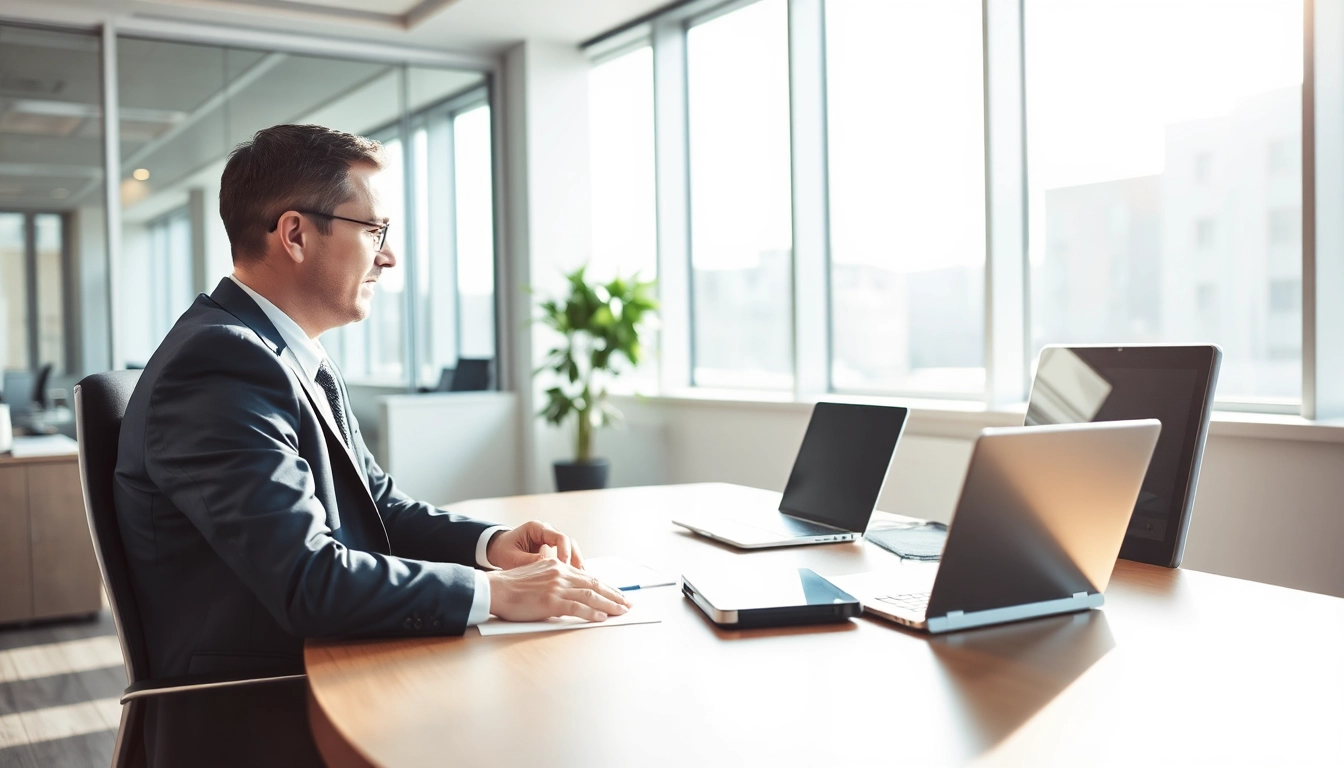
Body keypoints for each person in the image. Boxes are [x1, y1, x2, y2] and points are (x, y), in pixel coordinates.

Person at [113, 124, 629, 765]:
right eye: (375, 231)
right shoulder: (220, 365)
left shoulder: (283, 352)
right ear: (296, 234)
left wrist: (491, 546)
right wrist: (495, 594)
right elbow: (309, 579)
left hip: (322, 666)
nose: (388, 258)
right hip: (263, 706)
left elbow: (375, 502)